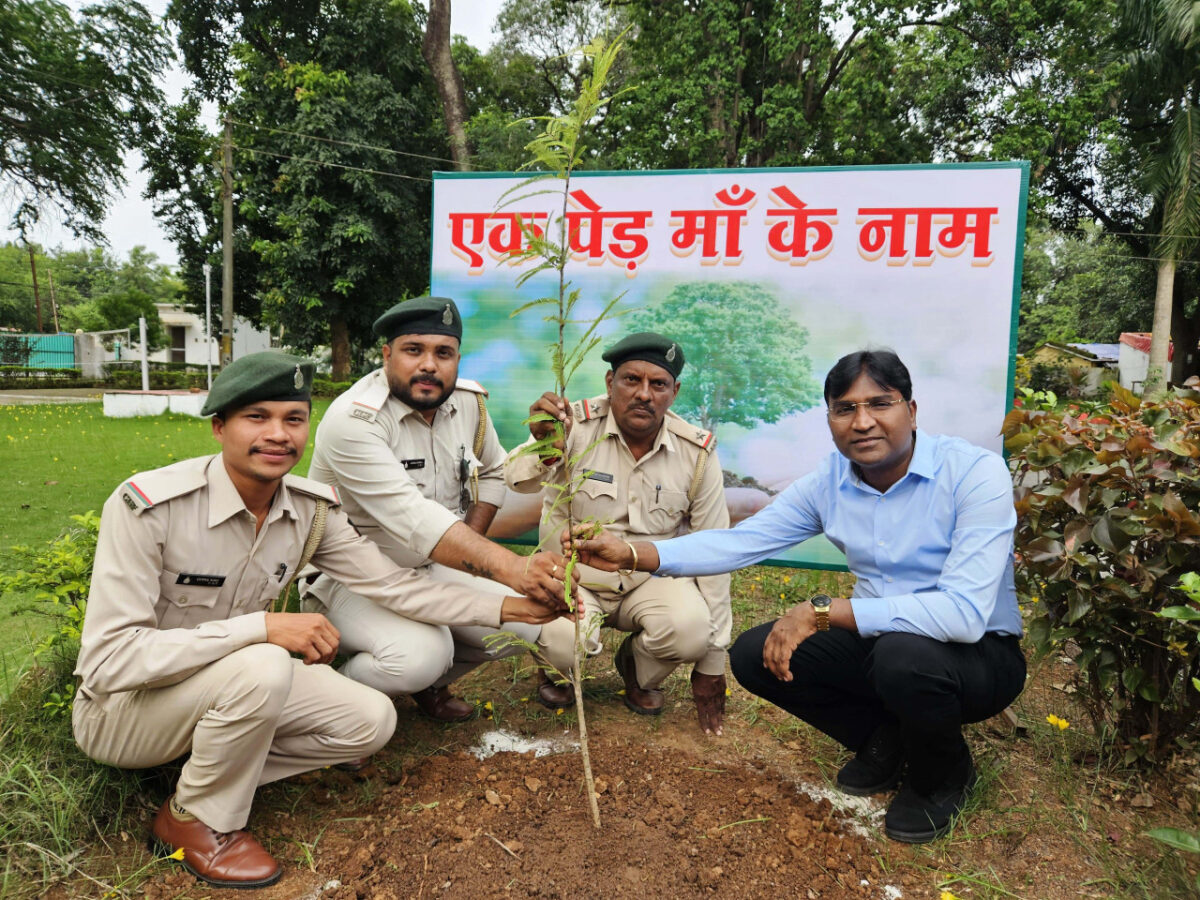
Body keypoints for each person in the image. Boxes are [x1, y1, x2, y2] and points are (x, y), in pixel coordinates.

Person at [72, 351, 565, 888]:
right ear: (219, 426)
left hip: (226, 688)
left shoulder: (309, 510)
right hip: (123, 712)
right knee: (262, 662)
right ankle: (195, 820)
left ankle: (207, 772)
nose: (278, 435)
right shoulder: (151, 506)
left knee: (370, 720)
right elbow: (107, 662)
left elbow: (394, 586)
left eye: (293, 419)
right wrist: (262, 628)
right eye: (256, 418)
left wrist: (508, 607)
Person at [567, 349, 1025, 842]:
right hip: (885, 646)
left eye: (880, 404)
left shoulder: (975, 473)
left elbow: (962, 615)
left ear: (911, 411)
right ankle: (883, 740)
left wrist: (822, 611)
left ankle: (944, 775)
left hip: (978, 655)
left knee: (903, 655)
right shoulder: (831, 481)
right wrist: (636, 553)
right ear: (830, 420)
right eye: (845, 408)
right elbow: (741, 541)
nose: (863, 422)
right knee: (753, 655)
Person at [306, 297, 576, 718]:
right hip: (352, 578)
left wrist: (469, 550)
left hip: (431, 565)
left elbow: (491, 472)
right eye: (414, 350)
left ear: (457, 359)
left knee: (520, 628)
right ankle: (333, 705)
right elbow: (415, 519)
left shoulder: (468, 404)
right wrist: (515, 569)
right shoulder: (354, 422)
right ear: (386, 355)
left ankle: (430, 685)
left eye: (443, 353)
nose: (429, 365)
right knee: (421, 653)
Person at [507, 332, 732, 733]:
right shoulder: (571, 424)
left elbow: (714, 550)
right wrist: (543, 448)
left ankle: (637, 670)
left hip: (651, 579)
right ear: (610, 384)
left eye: (658, 384)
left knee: (691, 631)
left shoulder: (696, 452)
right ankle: (559, 672)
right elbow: (516, 481)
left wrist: (713, 660)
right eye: (632, 380)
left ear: (674, 392)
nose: (644, 394)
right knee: (561, 643)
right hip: (574, 576)